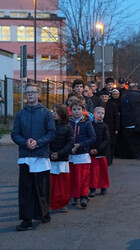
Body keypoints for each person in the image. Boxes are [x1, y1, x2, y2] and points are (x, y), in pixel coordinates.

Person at [11, 83, 56, 231]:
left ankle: (44, 212)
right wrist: (25, 142)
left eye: (33, 92)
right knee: (25, 189)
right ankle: (26, 219)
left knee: (41, 188)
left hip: (41, 156)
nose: (30, 94)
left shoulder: (46, 113)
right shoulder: (20, 114)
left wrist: (38, 143)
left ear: (38, 94)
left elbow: (51, 132)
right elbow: (15, 134)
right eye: (28, 92)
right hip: (25, 156)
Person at [69, 99, 96, 208]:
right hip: (71, 154)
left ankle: (84, 195)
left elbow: (92, 138)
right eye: (74, 109)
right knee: (73, 177)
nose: (76, 112)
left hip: (83, 154)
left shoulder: (87, 123)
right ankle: (74, 196)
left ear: (83, 110)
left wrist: (80, 145)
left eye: (78, 109)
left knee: (83, 176)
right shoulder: (69, 122)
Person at [49, 104, 74, 213]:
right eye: (53, 111)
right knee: (50, 182)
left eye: (57, 112)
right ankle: (49, 202)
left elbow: (70, 143)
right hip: (49, 158)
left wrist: (59, 154)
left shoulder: (68, 127)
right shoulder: (48, 126)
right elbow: (45, 140)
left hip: (62, 159)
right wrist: (50, 153)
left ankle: (63, 203)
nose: (54, 114)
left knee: (62, 183)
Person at [120, 82, 140, 159]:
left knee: (129, 140)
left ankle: (128, 155)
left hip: (126, 121)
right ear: (136, 88)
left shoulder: (124, 96)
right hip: (138, 121)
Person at [89, 107, 110, 197]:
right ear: (94, 113)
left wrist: (99, 149)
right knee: (93, 172)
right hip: (92, 152)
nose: (101, 115)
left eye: (102, 113)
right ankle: (92, 188)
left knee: (103, 171)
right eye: (99, 113)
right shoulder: (90, 125)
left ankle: (103, 187)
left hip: (101, 152)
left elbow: (106, 139)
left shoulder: (105, 126)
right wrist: (90, 149)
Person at [99, 90, 120, 165]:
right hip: (101, 128)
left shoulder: (112, 105)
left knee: (111, 144)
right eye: (102, 97)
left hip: (111, 127)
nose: (104, 98)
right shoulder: (99, 105)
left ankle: (109, 160)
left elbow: (116, 117)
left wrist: (116, 128)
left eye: (106, 96)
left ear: (108, 97)